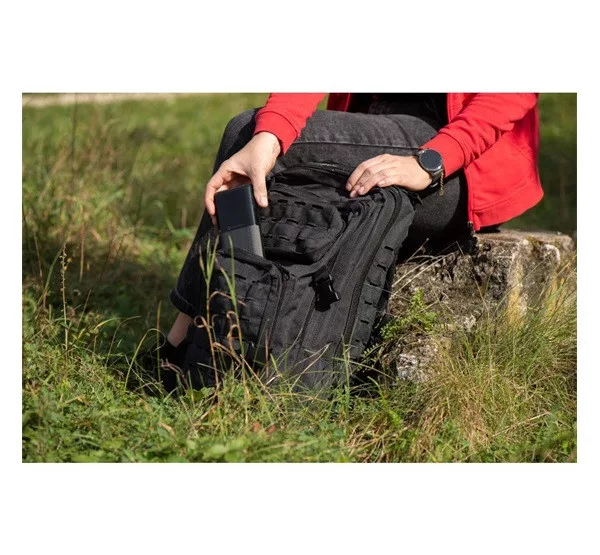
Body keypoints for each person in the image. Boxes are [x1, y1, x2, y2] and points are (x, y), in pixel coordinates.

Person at [144, 92, 543, 383]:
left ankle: (182, 346)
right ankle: (226, 341)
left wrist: (432, 162)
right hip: (371, 131)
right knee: (258, 137)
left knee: (244, 130)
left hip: (456, 162)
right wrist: (273, 133)